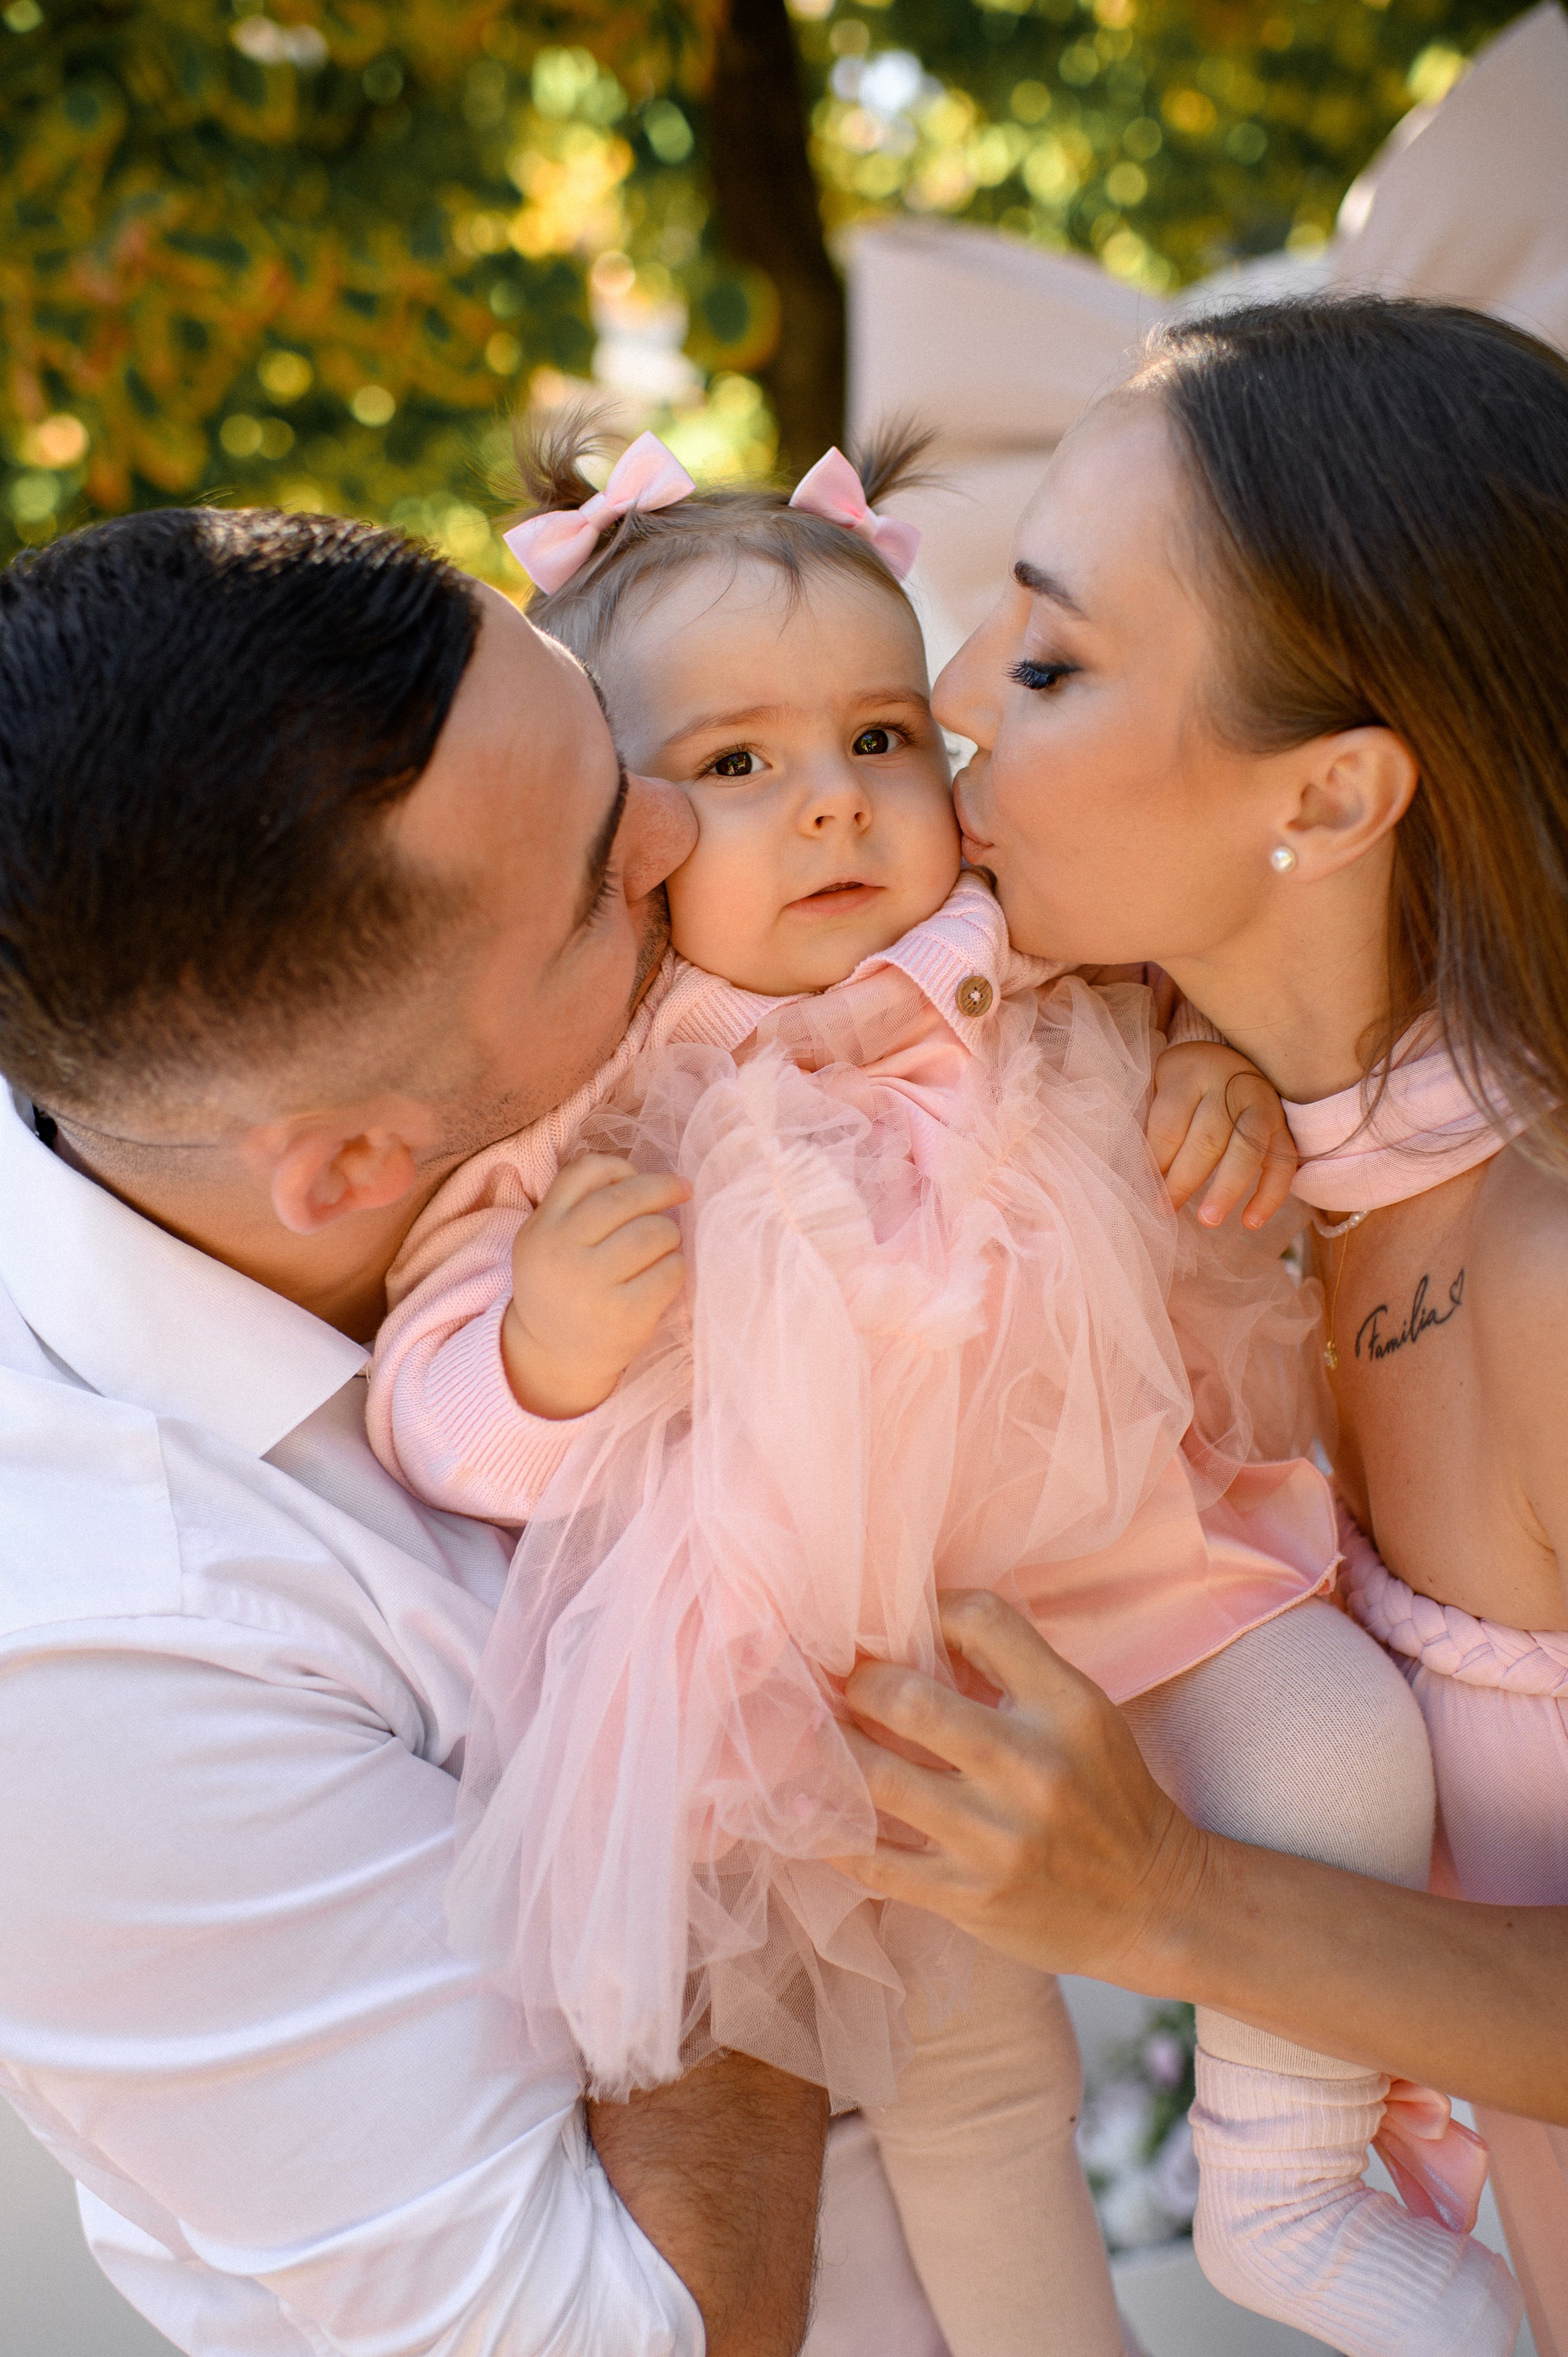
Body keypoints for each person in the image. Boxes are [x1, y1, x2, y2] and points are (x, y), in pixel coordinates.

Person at [362, 416, 1488, 2357]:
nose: (835, 805)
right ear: (616, 833)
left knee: (1347, 1751)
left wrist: (1213, 1072)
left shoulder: (1027, 941)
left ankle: (1285, 2179)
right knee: (974, 2080)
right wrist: (544, 1352)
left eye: (883, 737)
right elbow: (433, 1412)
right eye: (737, 765)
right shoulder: (595, 1085)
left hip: (1135, 1547)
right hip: (852, 1672)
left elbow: (1187, 991)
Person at [0, 501, 900, 2357]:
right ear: (346, 1166)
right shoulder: (87, 1659)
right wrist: (723, 1658)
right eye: (599, 871)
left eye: (604, 728)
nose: (678, 819)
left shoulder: (653, 1065)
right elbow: (636, 2331)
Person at [832, 294, 1568, 2357]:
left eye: (1054, 660)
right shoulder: (1196, 1180)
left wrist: (1162, 1900)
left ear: (1332, 800)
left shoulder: (1543, 1264)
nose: (957, 691)